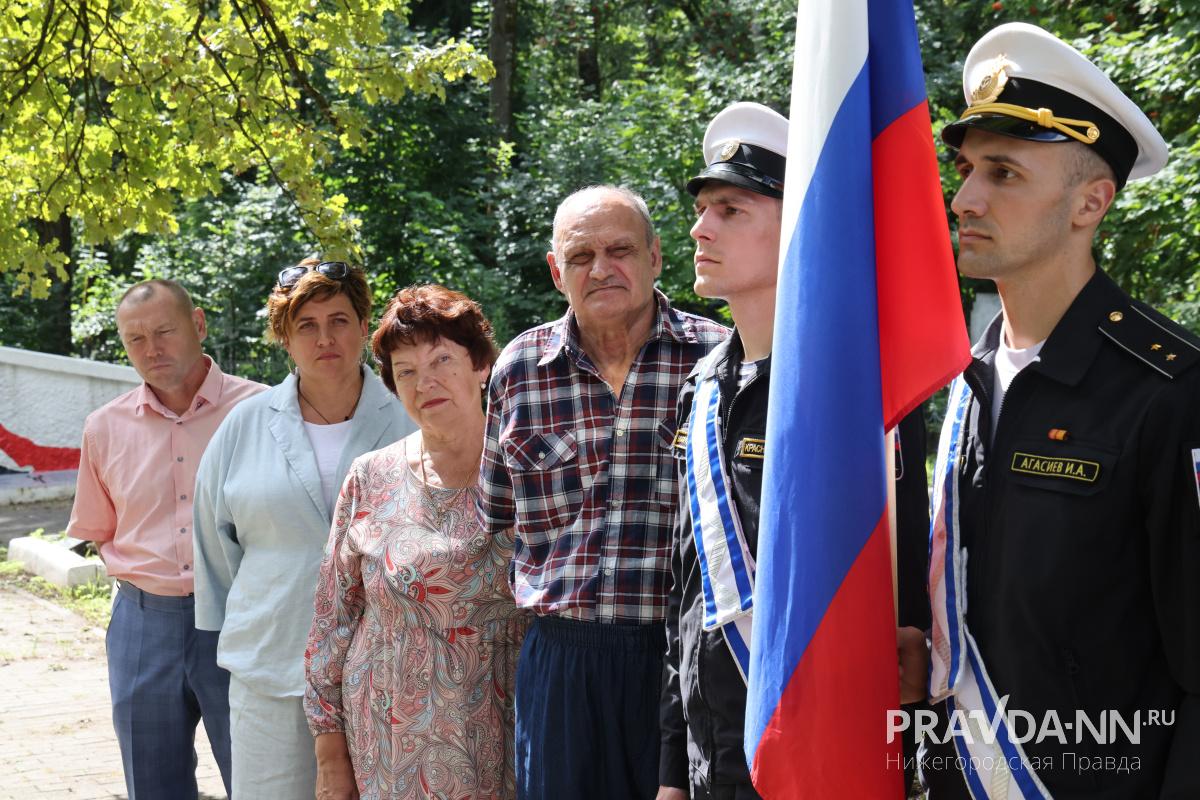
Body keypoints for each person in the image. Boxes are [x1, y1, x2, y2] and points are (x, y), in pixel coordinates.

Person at [911, 22, 1200, 798]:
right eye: (966, 169)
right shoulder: (964, 376)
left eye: (1004, 173)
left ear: (1090, 202)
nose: (964, 197)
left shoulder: (1170, 391)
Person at [656, 103, 932, 800]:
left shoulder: (854, 391)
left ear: (798, 229)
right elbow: (689, 599)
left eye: (731, 210)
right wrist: (670, 774)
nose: (699, 227)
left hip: (816, 759)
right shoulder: (701, 388)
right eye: (702, 208)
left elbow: (898, 594)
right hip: (710, 759)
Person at [478, 185, 728, 799]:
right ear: (556, 269)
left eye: (619, 249)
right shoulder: (518, 369)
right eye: (581, 254)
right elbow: (496, 508)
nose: (601, 268)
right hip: (562, 664)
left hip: (685, 656)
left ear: (656, 256)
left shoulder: (720, 358)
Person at [192, 259, 414, 799]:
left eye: (339, 319)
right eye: (306, 325)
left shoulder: (411, 417)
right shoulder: (244, 425)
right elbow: (214, 546)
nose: (325, 338)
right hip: (271, 668)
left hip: (387, 674)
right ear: (284, 338)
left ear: (365, 328)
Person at [305, 285, 528, 800]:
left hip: (507, 730)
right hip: (388, 740)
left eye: (442, 359)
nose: (425, 382)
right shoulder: (369, 477)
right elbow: (331, 622)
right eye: (405, 371)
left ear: (481, 366)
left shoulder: (526, 469)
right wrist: (329, 754)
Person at [67, 279, 264, 799]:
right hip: (142, 625)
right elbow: (100, 529)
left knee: (260, 781)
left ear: (197, 324)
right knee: (151, 786)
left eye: (164, 332)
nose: (151, 349)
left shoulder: (264, 414)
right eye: (135, 339)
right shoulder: (103, 428)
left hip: (241, 620)